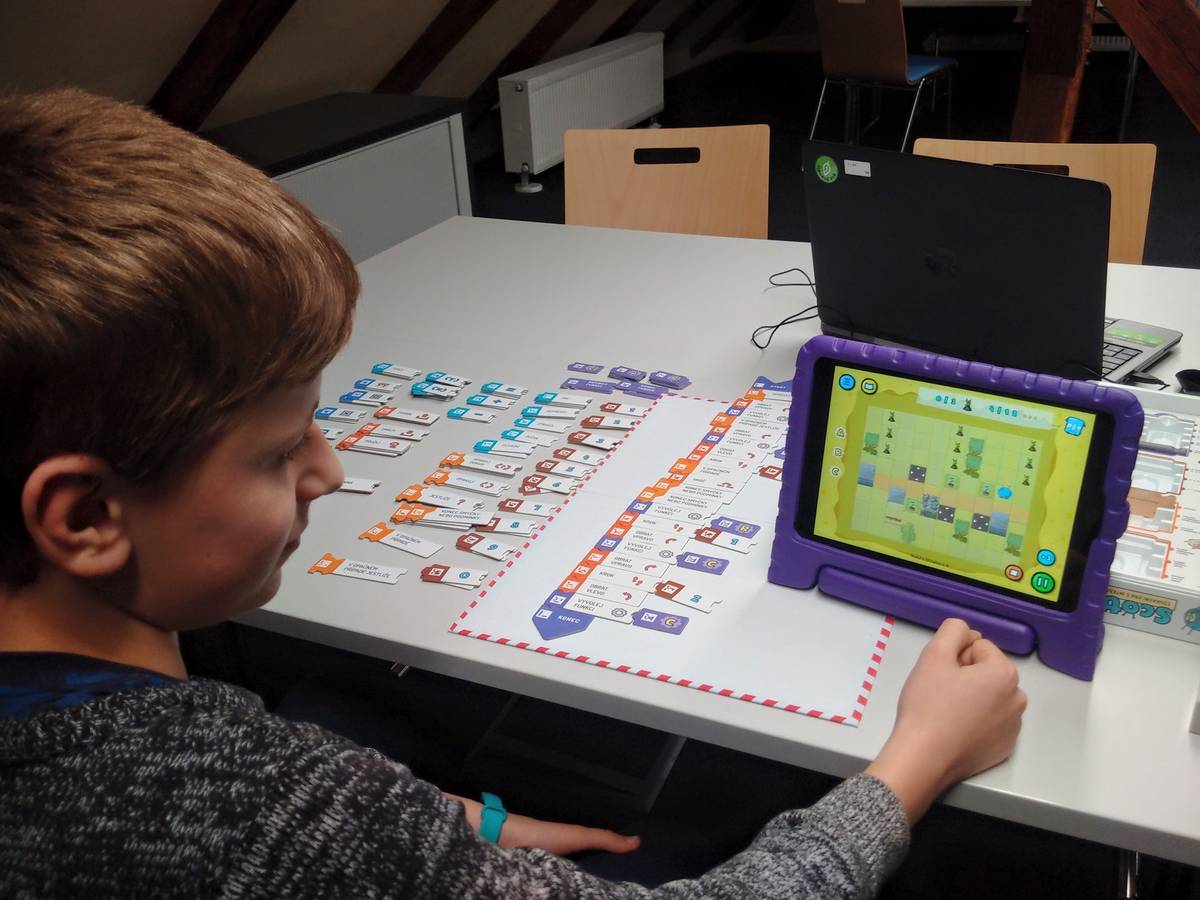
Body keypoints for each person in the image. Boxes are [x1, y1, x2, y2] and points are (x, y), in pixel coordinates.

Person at [0, 88, 1026, 898]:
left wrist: (448, 833)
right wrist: (918, 757)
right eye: (279, 452)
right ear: (85, 518)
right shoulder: (241, 807)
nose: (329, 469)